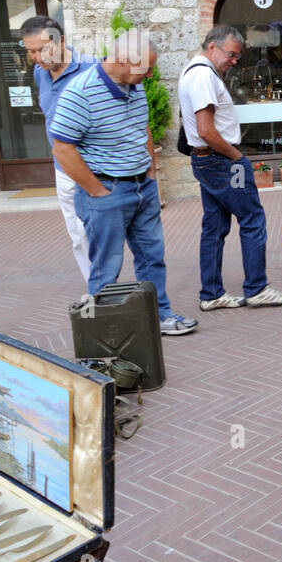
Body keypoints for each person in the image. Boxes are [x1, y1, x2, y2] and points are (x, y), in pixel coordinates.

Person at [50, 30, 198, 336]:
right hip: (107, 191)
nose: (151, 74)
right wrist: (97, 191)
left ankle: (158, 316)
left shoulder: (135, 84)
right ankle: (103, 332)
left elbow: (142, 124)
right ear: (119, 60)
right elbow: (62, 148)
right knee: (106, 266)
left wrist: (151, 173)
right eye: (146, 68)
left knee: (152, 257)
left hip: (142, 187)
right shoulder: (80, 92)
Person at [178, 25, 282, 311]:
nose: (234, 61)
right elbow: (205, 129)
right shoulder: (204, 75)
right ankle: (256, 288)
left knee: (214, 226)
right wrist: (236, 157)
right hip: (221, 161)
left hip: (209, 160)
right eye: (231, 54)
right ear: (212, 46)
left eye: (237, 56)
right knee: (252, 218)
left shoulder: (196, 70)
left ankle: (212, 293)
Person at [20, 16, 97, 284]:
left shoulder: (92, 70)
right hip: (63, 170)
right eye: (30, 51)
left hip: (94, 167)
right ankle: (98, 292)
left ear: (61, 41)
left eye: (42, 49)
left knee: (106, 234)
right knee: (78, 235)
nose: (36, 57)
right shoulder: (40, 72)